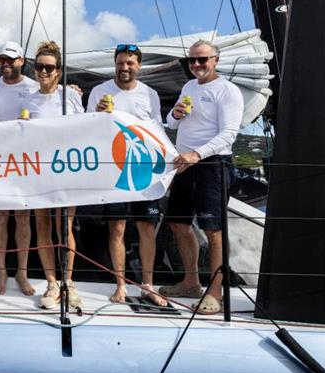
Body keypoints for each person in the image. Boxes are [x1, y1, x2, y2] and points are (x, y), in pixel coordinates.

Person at [161, 40, 243, 315]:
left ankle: (216, 292)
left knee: (213, 229)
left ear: (215, 60)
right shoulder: (188, 87)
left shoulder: (228, 91)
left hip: (212, 164)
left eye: (202, 60)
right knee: (177, 224)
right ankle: (191, 281)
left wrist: (198, 154)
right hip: (185, 162)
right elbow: (171, 123)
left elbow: (229, 134)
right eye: (192, 60)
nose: (196, 65)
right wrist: (175, 113)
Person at [86, 43, 167, 307]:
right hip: (114, 169)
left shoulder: (150, 94)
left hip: (143, 171)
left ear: (139, 66)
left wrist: (169, 163)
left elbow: (158, 130)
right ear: (115, 64)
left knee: (146, 228)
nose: (124, 68)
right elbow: (86, 129)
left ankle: (148, 285)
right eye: (120, 63)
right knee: (117, 227)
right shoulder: (99, 91)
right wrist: (97, 115)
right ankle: (120, 285)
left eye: (130, 63)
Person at [24, 41, 85, 310]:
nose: (43, 71)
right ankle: (51, 282)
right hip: (39, 171)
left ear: (59, 70)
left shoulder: (70, 96)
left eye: (49, 67)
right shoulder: (29, 99)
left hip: (66, 170)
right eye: (39, 67)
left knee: (65, 226)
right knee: (43, 227)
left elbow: (85, 128)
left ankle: (68, 282)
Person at [0, 41, 38, 295]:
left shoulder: (34, 87)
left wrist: (73, 89)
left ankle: (22, 272)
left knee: (22, 218)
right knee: (0, 217)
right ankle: (1, 272)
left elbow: (56, 95)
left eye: (11, 59)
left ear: (21, 61)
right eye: (2, 60)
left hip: (25, 161)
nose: (6, 64)